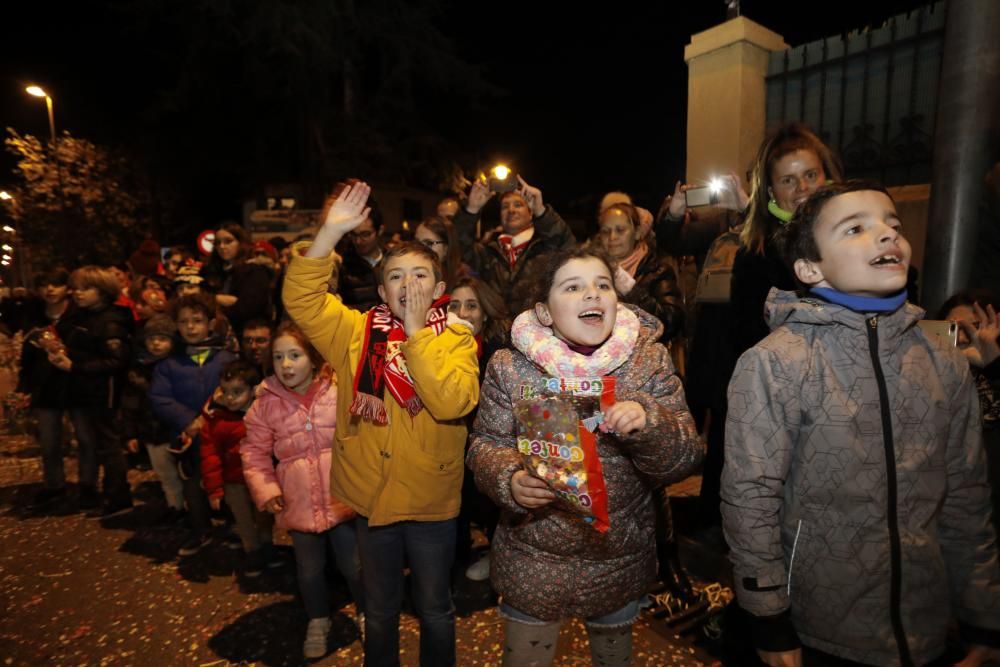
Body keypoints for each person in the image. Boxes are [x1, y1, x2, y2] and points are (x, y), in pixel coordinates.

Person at [722, 181, 1000, 666]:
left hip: (925, 626)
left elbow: (966, 496)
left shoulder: (943, 363)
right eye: (856, 228)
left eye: (892, 225)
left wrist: (984, 617)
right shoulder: (777, 363)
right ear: (811, 268)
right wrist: (767, 619)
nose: (887, 235)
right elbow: (750, 499)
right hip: (820, 628)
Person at [467, 247, 702, 667]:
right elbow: (485, 444)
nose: (592, 295)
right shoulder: (510, 367)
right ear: (544, 312)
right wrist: (509, 480)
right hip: (532, 555)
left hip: (617, 554)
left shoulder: (647, 362)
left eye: (602, 285)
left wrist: (650, 424)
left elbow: (683, 456)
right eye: (573, 287)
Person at [283, 181, 479, 666]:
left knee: (434, 607)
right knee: (380, 606)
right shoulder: (354, 331)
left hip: (432, 502)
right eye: (396, 276)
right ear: (380, 287)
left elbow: (453, 401)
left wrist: (416, 334)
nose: (407, 285)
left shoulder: (456, 339)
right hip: (371, 496)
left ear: (439, 290)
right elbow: (302, 300)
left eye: (419, 275)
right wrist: (330, 233)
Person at [241, 321, 364, 659]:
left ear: (312, 358)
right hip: (299, 503)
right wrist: (265, 490)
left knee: (353, 564)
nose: (286, 364)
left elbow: (362, 436)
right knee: (308, 570)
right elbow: (253, 452)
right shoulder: (266, 403)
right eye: (279, 357)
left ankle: (368, 612)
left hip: (341, 499)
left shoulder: (337, 392)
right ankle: (318, 619)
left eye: (294, 355)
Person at [150, 293, 237, 556]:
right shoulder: (169, 364)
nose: (190, 327)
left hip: (224, 435)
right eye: (184, 321)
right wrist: (186, 419)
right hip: (189, 437)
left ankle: (236, 525)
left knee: (231, 481)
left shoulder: (226, 359)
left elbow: (237, 392)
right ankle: (201, 529)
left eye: (197, 321)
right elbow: (159, 397)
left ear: (210, 323)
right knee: (193, 484)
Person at [47, 266, 135, 517]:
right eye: (77, 288)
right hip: (86, 388)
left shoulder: (109, 321)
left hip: (102, 391)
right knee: (96, 443)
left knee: (108, 444)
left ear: (103, 291)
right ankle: (108, 494)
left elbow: (116, 361)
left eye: (86, 288)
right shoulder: (84, 315)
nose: (78, 293)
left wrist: (74, 366)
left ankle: (118, 497)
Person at [446, 277, 509, 581]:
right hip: (452, 444)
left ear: (484, 313)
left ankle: (499, 558)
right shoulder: (436, 350)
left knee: (492, 503)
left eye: (471, 305)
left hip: (492, 444)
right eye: (454, 306)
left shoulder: (500, 353)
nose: (462, 313)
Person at [453, 176, 576, 313]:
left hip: (538, 330)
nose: (511, 210)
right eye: (505, 207)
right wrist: (472, 209)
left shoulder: (546, 248)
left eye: (518, 205)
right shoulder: (487, 252)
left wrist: (541, 211)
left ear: (530, 213)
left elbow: (566, 244)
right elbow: (456, 245)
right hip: (495, 331)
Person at [199, 360, 276, 577]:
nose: (230, 397)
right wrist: (214, 489)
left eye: (237, 391)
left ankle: (267, 545)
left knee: (263, 515)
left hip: (261, 478)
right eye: (225, 391)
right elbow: (210, 456)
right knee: (243, 519)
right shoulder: (217, 421)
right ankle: (252, 551)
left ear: (253, 391)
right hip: (234, 481)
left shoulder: (263, 413)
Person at [939, 290, 1000, 534]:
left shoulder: (995, 383)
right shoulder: (926, 383)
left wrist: (994, 363)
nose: (964, 337)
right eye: (953, 329)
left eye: (975, 327)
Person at [18, 268, 73, 510]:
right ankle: (55, 485)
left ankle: (88, 485)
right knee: (49, 441)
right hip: (46, 387)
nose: (50, 290)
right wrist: (25, 386)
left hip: (75, 384)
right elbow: (27, 357)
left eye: (56, 284)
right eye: (45, 285)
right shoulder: (34, 318)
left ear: (67, 288)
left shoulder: (78, 316)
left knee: (85, 439)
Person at [121, 314, 184, 523]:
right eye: (151, 339)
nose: (156, 343)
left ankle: (189, 509)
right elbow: (131, 404)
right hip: (152, 432)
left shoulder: (180, 366)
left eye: (162, 338)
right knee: (165, 474)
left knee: (183, 473)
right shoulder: (139, 370)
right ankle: (175, 507)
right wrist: (130, 433)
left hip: (175, 430)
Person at [199, 222, 272, 335]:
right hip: (218, 333)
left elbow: (250, 308)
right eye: (218, 243)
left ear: (241, 243)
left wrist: (216, 300)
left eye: (228, 241)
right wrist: (222, 299)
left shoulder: (254, 270)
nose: (222, 246)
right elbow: (202, 301)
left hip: (249, 333)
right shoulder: (211, 271)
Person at [336, 185, 385, 312]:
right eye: (354, 234)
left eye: (365, 234)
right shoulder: (342, 264)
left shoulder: (393, 260)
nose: (358, 241)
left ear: (380, 230)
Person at [414, 215, 468, 289]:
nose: (419, 249)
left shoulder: (462, 281)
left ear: (446, 249)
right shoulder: (409, 276)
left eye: (429, 243)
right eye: (417, 242)